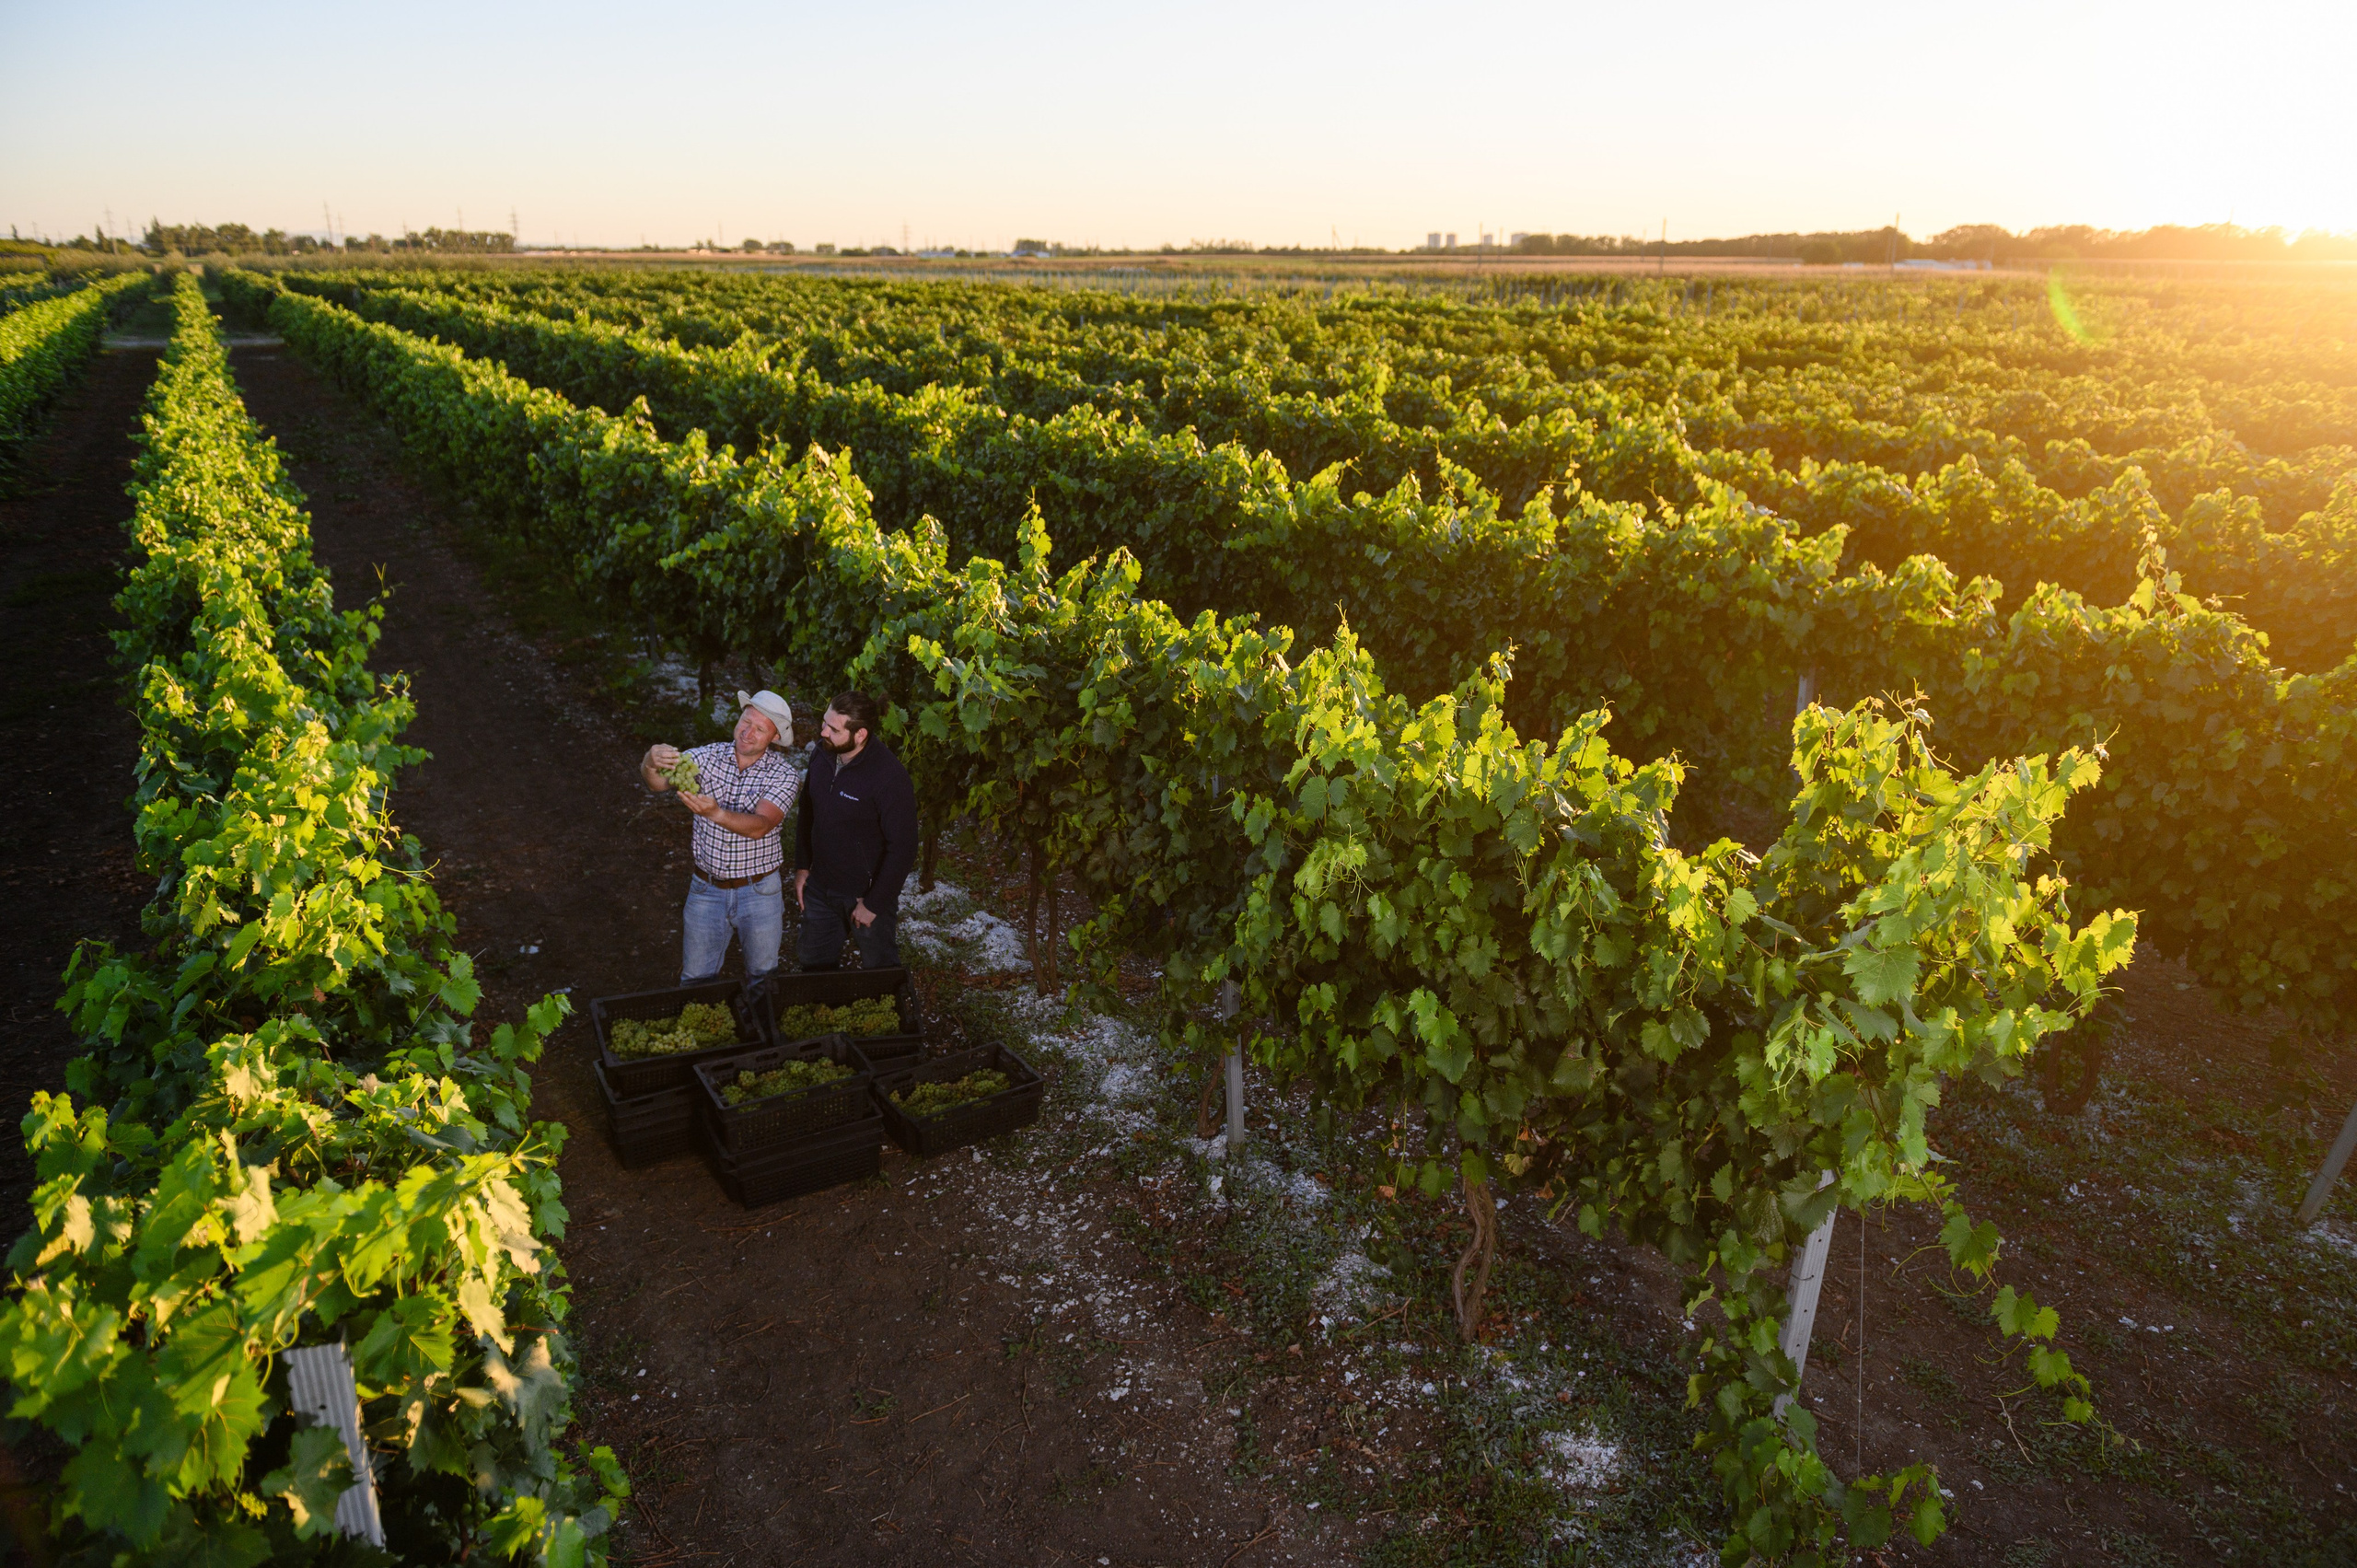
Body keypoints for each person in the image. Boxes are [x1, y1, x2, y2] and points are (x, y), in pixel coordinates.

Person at [641, 690, 802, 984]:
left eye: (760, 728)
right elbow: (657, 783)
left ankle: (759, 1028)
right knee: (695, 979)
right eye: (746, 720)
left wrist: (717, 814)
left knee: (763, 979)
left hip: (759, 893)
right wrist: (651, 761)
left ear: (775, 738)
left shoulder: (784, 775)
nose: (748, 732)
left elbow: (762, 825)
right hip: (706, 889)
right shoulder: (706, 756)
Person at [793, 690, 919, 970]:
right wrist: (803, 866)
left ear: (860, 734)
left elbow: (904, 846)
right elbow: (807, 809)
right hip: (821, 887)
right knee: (814, 967)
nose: (822, 731)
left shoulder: (889, 777)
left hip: (864, 894)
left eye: (833, 728)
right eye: (824, 722)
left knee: (879, 970)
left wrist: (874, 903)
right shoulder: (823, 753)